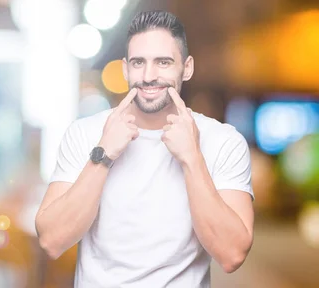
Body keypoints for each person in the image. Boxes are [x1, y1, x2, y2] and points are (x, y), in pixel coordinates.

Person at [35, 10, 254, 288]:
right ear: (126, 68)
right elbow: (51, 241)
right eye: (139, 63)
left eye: (163, 62)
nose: (149, 76)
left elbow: (232, 255)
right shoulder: (85, 133)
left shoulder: (223, 141)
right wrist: (103, 154)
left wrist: (192, 158)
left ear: (186, 68)